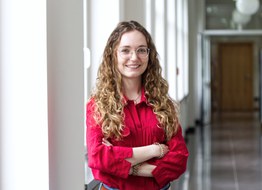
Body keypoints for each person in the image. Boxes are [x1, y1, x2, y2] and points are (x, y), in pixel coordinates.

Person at [86, 20, 189, 190]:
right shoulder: (98, 105)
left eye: (141, 50)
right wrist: (154, 151)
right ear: (113, 55)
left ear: (149, 56)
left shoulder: (163, 104)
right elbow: (97, 158)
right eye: (126, 50)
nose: (134, 58)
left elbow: (180, 159)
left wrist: (130, 167)